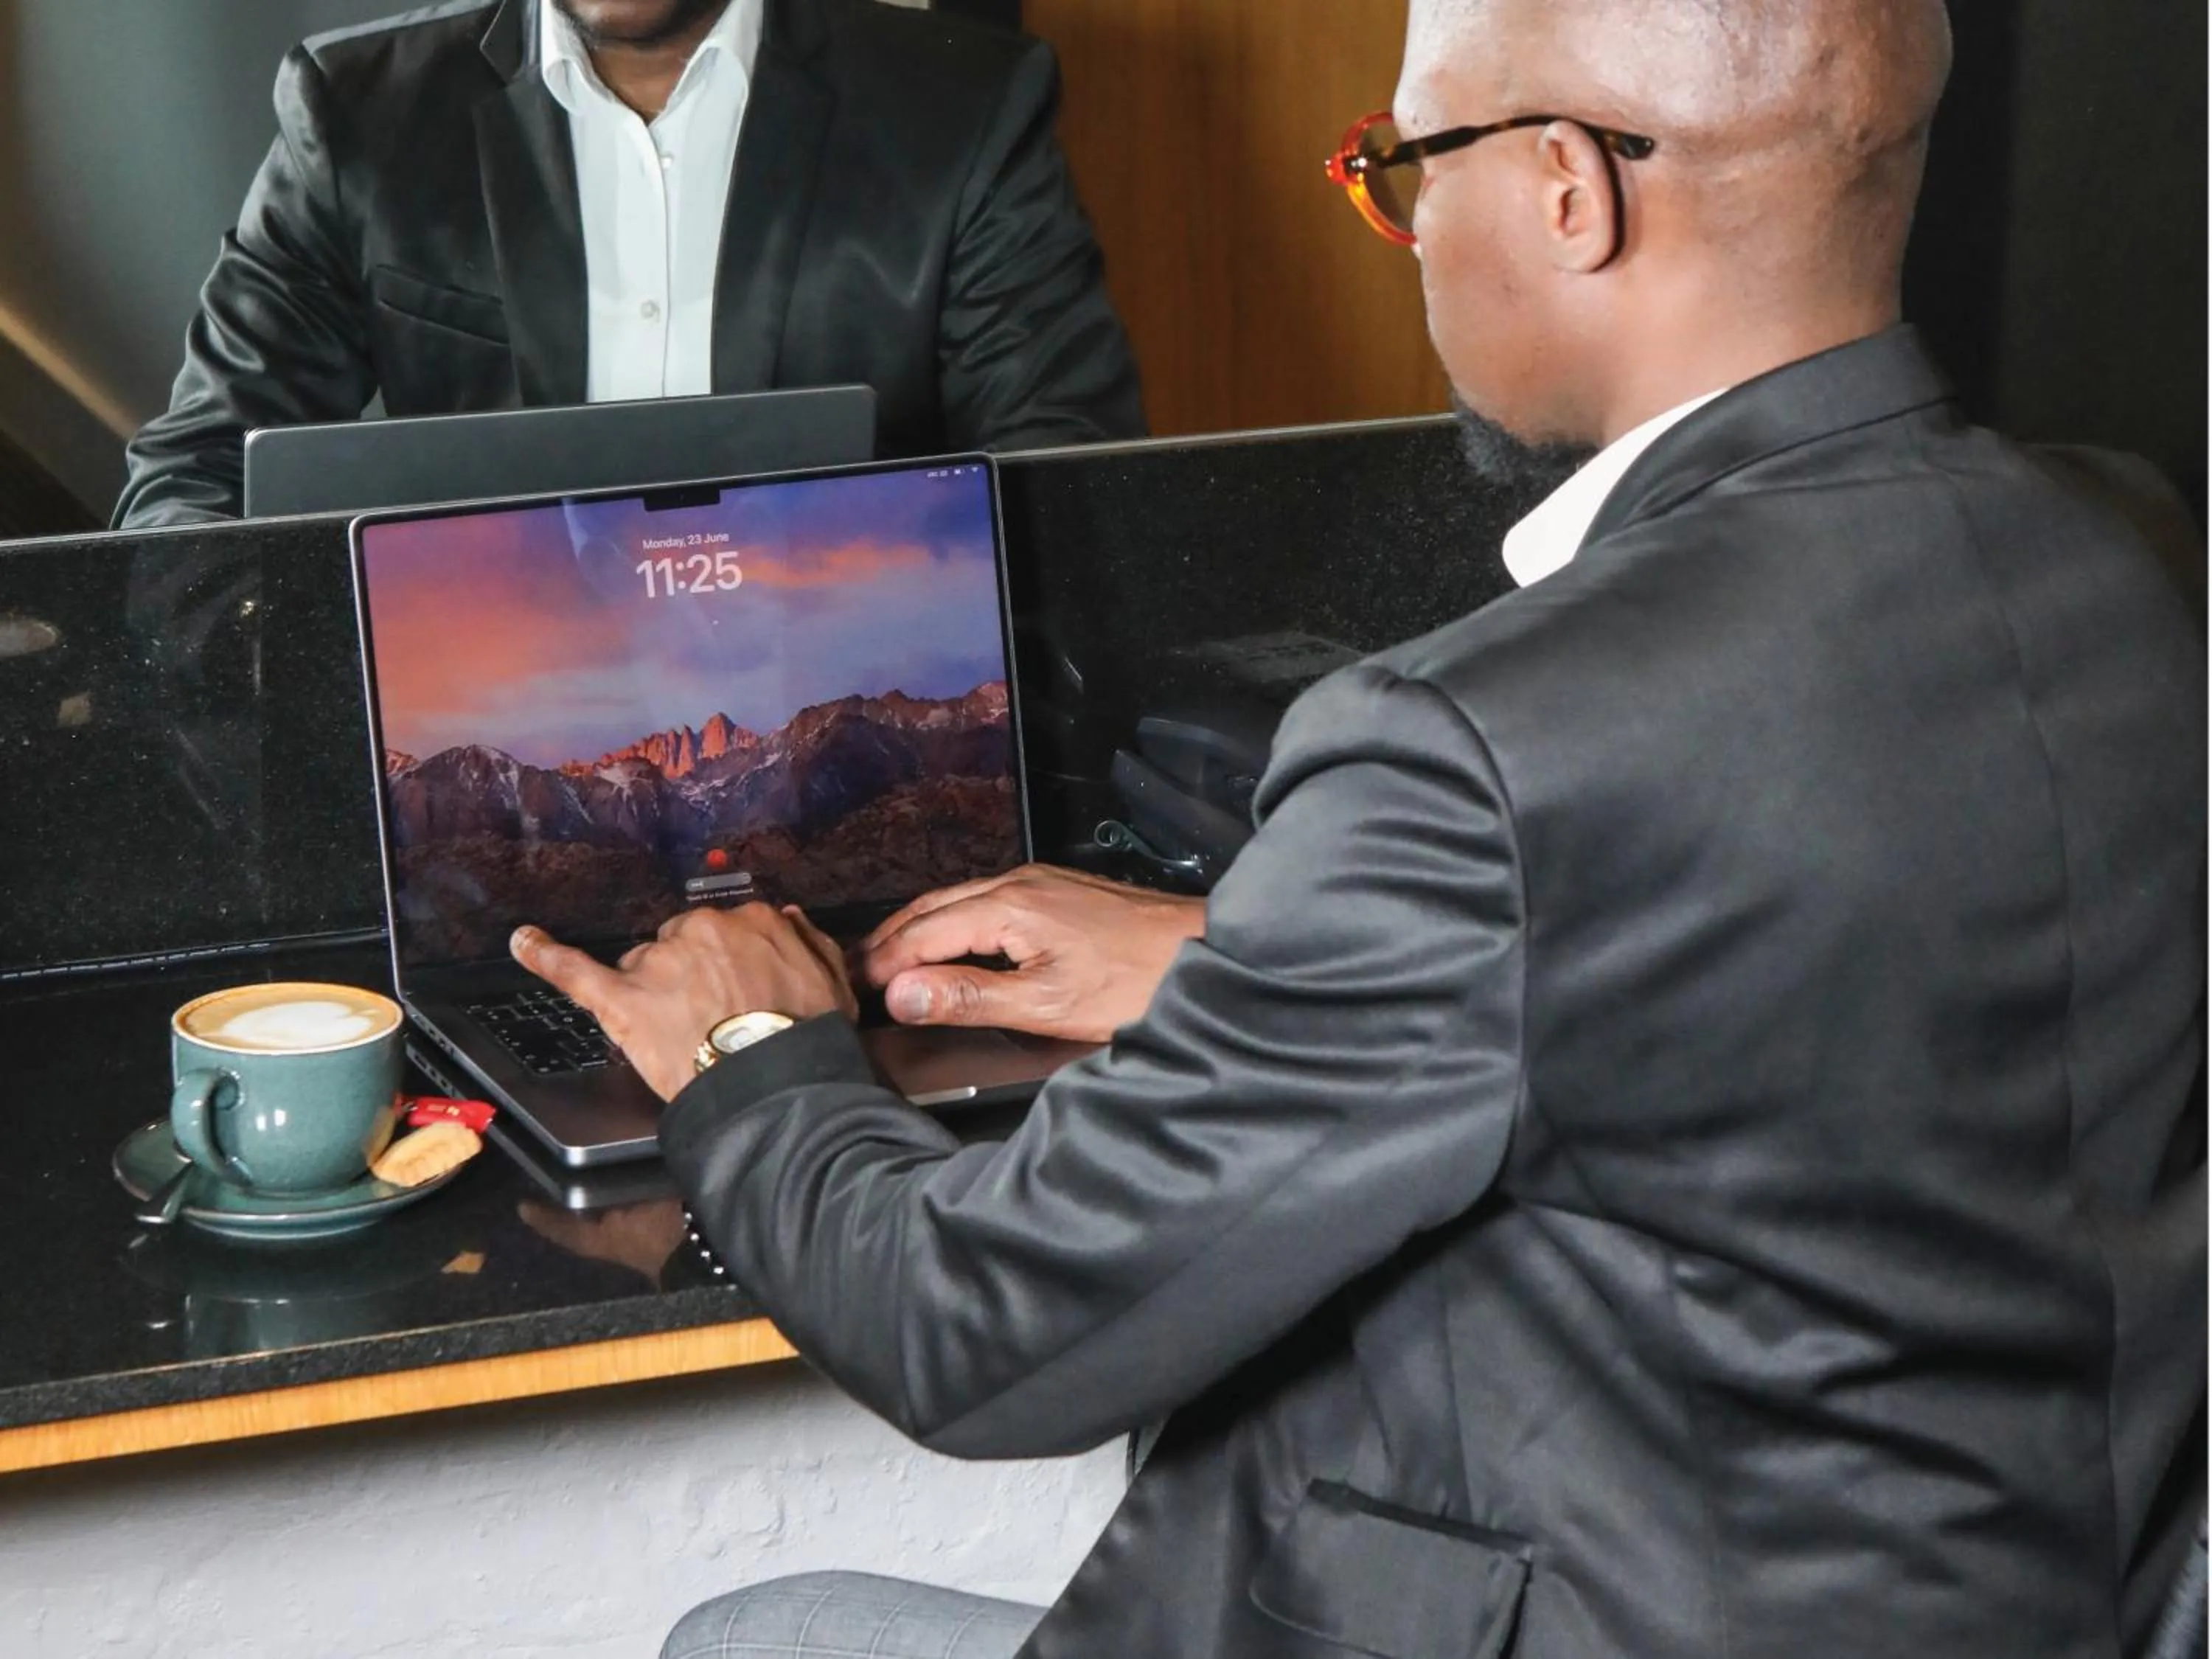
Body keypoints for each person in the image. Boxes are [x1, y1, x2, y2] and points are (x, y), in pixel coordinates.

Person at [513, 0, 2208, 1653]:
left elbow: (973, 1330)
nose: (1411, 234)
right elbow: (1804, 940)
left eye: (1404, 168)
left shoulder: (1483, 743)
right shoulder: (2135, 554)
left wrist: (754, 1050)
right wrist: (1258, 959)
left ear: (1567, 188)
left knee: (750, 1632)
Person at [112, 0, 1144, 528]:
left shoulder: (965, 110)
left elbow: (1070, 484)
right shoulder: (359, 115)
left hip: (852, 738)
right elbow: (195, 478)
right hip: (484, 750)